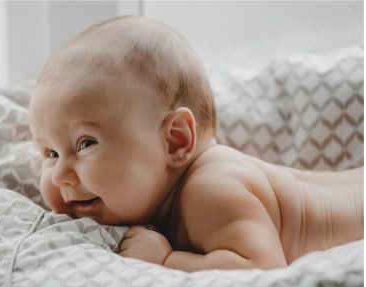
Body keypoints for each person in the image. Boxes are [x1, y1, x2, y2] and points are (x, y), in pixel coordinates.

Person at [28, 15, 364, 271]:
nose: (60, 175)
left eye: (85, 143)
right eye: (51, 153)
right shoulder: (169, 195)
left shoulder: (209, 190)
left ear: (174, 141)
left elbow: (263, 269)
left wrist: (168, 260)